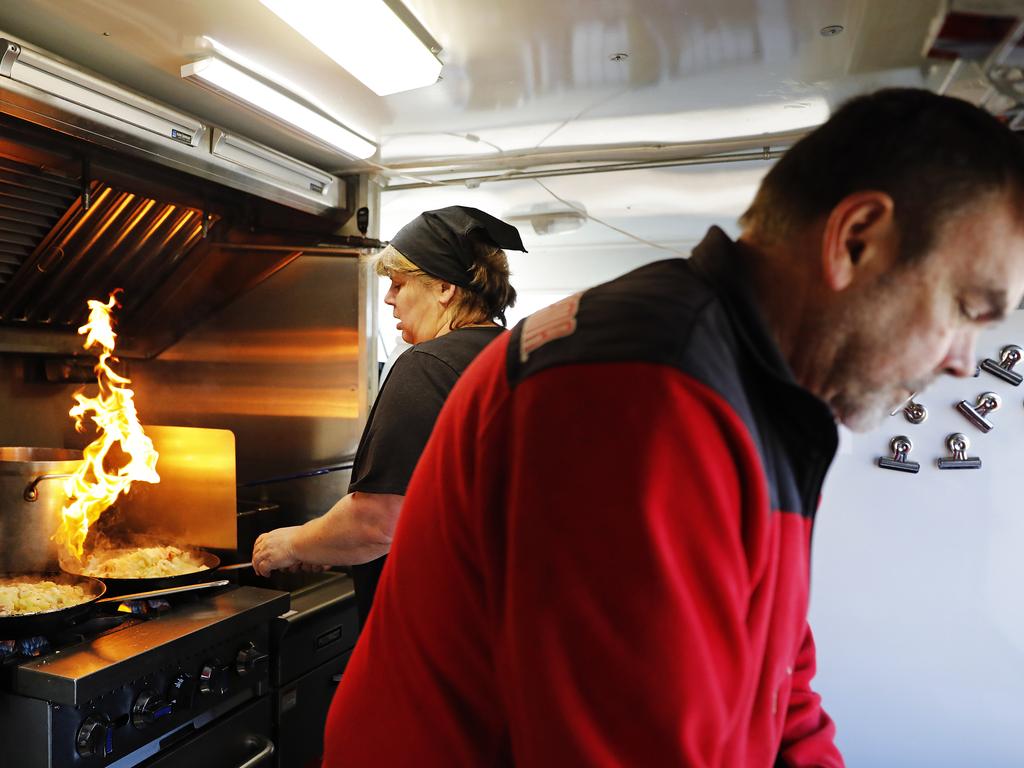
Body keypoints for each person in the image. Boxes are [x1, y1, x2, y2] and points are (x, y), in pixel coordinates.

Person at [322, 88, 1024, 767]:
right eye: (968, 307)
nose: (966, 363)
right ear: (858, 240)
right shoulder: (641, 392)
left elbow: (782, 687)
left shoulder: (762, 397)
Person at [251, 206, 522, 622]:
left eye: (398, 284)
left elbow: (378, 523)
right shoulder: (511, 354)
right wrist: (330, 544)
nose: (389, 299)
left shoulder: (427, 365)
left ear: (445, 288)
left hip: (435, 623)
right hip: (496, 614)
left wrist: (293, 543)